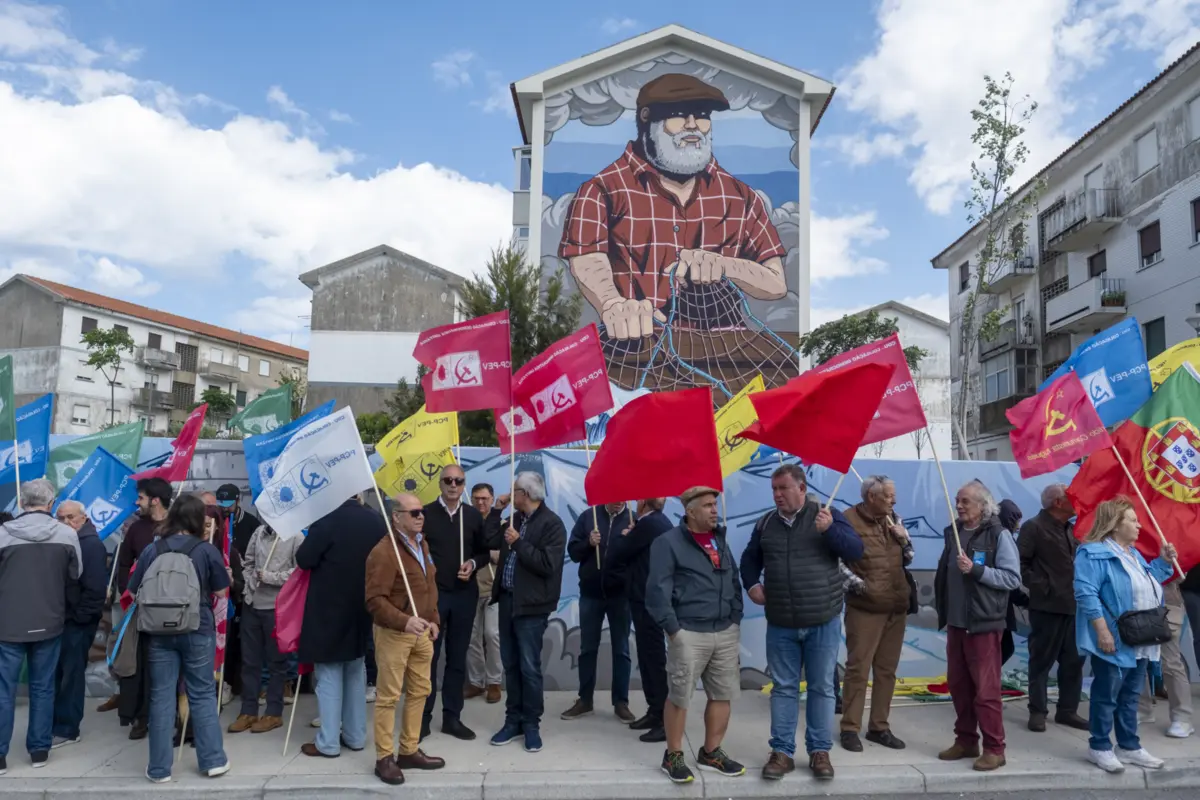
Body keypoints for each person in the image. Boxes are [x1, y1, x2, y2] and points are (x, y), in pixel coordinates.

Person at [559, 73, 792, 394]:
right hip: (636, 362)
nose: (694, 126)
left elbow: (776, 283)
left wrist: (724, 265)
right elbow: (587, 258)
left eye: (703, 116)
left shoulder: (740, 196)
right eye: (679, 115)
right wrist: (613, 304)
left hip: (727, 364)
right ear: (646, 119)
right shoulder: (602, 189)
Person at [741, 466, 863, 781]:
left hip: (822, 620)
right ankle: (782, 752)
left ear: (802, 488)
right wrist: (752, 584)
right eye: (774, 489)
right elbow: (749, 559)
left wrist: (830, 531)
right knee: (783, 688)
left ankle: (819, 751)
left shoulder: (827, 515)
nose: (777, 495)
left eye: (783, 488)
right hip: (781, 622)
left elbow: (855, 550)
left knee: (822, 687)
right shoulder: (766, 523)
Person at [126, 494, 231, 783]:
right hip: (197, 628)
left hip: (159, 632)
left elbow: (133, 591)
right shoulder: (206, 550)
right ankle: (213, 761)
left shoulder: (152, 549)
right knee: (202, 693)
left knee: (161, 695)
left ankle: (159, 769)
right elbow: (222, 592)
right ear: (197, 519)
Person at [647, 486, 745, 785]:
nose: (715, 510)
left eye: (715, 504)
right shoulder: (668, 543)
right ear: (690, 511)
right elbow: (657, 591)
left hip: (724, 630)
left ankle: (711, 752)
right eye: (707, 505)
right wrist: (673, 630)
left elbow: (734, 579)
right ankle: (673, 755)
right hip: (688, 632)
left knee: (722, 693)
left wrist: (735, 617)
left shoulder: (719, 539)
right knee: (679, 696)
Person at [1075, 497, 1177, 772]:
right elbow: (1086, 593)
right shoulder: (1092, 553)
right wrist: (1102, 631)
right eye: (1132, 520)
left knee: (1130, 696)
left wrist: (1163, 562)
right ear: (1115, 524)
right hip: (1115, 637)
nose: (1139, 525)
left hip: (1140, 637)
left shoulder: (1132, 553)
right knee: (1107, 694)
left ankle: (1129, 746)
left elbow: (1146, 582)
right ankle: (1099, 746)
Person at [934, 481, 1021, 772]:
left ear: (983, 506)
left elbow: (1012, 579)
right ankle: (966, 740)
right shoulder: (954, 532)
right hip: (956, 624)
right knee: (959, 686)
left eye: (965, 501)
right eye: (957, 500)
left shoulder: (999, 535)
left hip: (983, 624)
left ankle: (995, 749)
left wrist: (977, 570)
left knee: (986, 691)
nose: (958, 506)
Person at [0, 479, 81, 774]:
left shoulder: (2, 534)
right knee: (43, 687)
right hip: (50, 620)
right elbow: (76, 574)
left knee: (3, 690)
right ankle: (39, 751)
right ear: (51, 504)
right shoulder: (67, 534)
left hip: (7, 623)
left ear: (22, 503)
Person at [365, 493, 446, 786]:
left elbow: (428, 584)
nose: (420, 516)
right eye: (413, 513)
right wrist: (404, 621)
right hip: (395, 634)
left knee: (420, 691)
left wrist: (433, 618)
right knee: (388, 697)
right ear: (396, 517)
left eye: (421, 511)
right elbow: (374, 600)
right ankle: (384, 757)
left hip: (422, 632)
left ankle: (409, 750)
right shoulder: (384, 552)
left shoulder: (421, 543)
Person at [296, 495, 385, 758]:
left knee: (329, 675)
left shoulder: (327, 520)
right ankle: (356, 736)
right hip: (363, 606)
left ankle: (328, 742)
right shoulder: (375, 520)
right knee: (356, 672)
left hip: (329, 609)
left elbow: (304, 558)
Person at [488, 472, 566, 754]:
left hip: (532, 606)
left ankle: (531, 724)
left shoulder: (552, 524)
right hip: (508, 600)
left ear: (527, 494)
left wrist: (519, 543)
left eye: (515, 490)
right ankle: (513, 721)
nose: (511, 494)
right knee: (510, 664)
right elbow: (488, 539)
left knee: (529, 667)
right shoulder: (514, 518)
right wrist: (497, 509)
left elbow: (548, 565)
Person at [839, 475, 912, 755]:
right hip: (865, 609)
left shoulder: (894, 518)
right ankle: (850, 728)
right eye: (889, 496)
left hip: (896, 606)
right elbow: (836, 563)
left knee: (886, 670)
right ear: (871, 496)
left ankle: (879, 727)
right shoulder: (846, 520)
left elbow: (909, 557)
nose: (894, 500)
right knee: (858, 669)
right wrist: (863, 587)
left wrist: (904, 540)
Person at [421, 465, 493, 742]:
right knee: (429, 657)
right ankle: (423, 718)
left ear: (464, 485)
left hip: (464, 595)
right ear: (440, 483)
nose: (453, 485)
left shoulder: (472, 516)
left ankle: (452, 718)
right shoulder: (425, 514)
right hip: (435, 597)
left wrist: (473, 563)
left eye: (458, 481)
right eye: (448, 480)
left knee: (457, 658)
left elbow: (484, 552)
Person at [1018, 484, 1087, 733]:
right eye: (1071, 497)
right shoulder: (1033, 527)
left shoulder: (1071, 529)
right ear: (1058, 502)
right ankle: (1037, 711)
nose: (1076, 501)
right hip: (1046, 607)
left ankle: (1067, 711)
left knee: (1074, 662)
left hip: (1074, 606)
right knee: (1041, 662)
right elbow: (1020, 564)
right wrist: (1044, 587)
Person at [561, 501, 636, 723]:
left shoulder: (633, 520)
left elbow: (642, 557)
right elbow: (573, 552)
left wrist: (631, 540)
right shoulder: (588, 516)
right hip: (591, 594)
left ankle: (621, 702)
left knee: (621, 649)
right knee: (587, 648)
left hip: (621, 595)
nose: (619, 500)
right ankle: (585, 700)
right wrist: (588, 543)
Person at [609, 497, 673, 743]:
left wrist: (625, 535)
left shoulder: (649, 524)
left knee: (653, 659)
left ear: (644, 502)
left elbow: (617, 552)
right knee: (648, 657)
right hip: (645, 598)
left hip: (648, 599)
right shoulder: (656, 522)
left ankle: (664, 719)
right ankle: (655, 711)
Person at [227, 520, 300, 736]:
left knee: (277, 663)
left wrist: (271, 578)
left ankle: (273, 712)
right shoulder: (258, 532)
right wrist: (249, 583)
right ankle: (248, 711)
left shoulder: (296, 536)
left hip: (277, 608)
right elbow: (248, 562)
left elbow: (299, 572)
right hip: (252, 604)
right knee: (250, 662)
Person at [117, 477, 173, 739]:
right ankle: (140, 717)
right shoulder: (136, 529)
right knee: (139, 664)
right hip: (140, 609)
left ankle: (171, 717)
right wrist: (126, 594)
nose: (136, 502)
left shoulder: (178, 527)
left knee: (166, 666)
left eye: (140, 498)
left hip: (173, 611)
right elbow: (123, 563)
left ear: (155, 500)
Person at [50, 500, 107, 749]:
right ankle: (57, 724)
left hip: (77, 622)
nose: (65, 522)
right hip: (63, 619)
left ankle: (67, 728)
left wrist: (79, 617)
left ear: (83, 517)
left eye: (70, 517)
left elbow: (95, 589)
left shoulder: (90, 544)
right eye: (60, 518)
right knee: (59, 673)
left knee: (71, 675)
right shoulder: (65, 540)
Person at [466, 483, 505, 704]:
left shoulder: (502, 524)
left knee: (492, 635)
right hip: (470, 588)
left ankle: (494, 682)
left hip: (493, 589)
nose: (480, 502)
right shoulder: (466, 523)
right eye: (476, 498)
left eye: (485, 498)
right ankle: (476, 681)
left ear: (492, 499)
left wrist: (487, 552)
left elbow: (505, 555)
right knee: (471, 637)